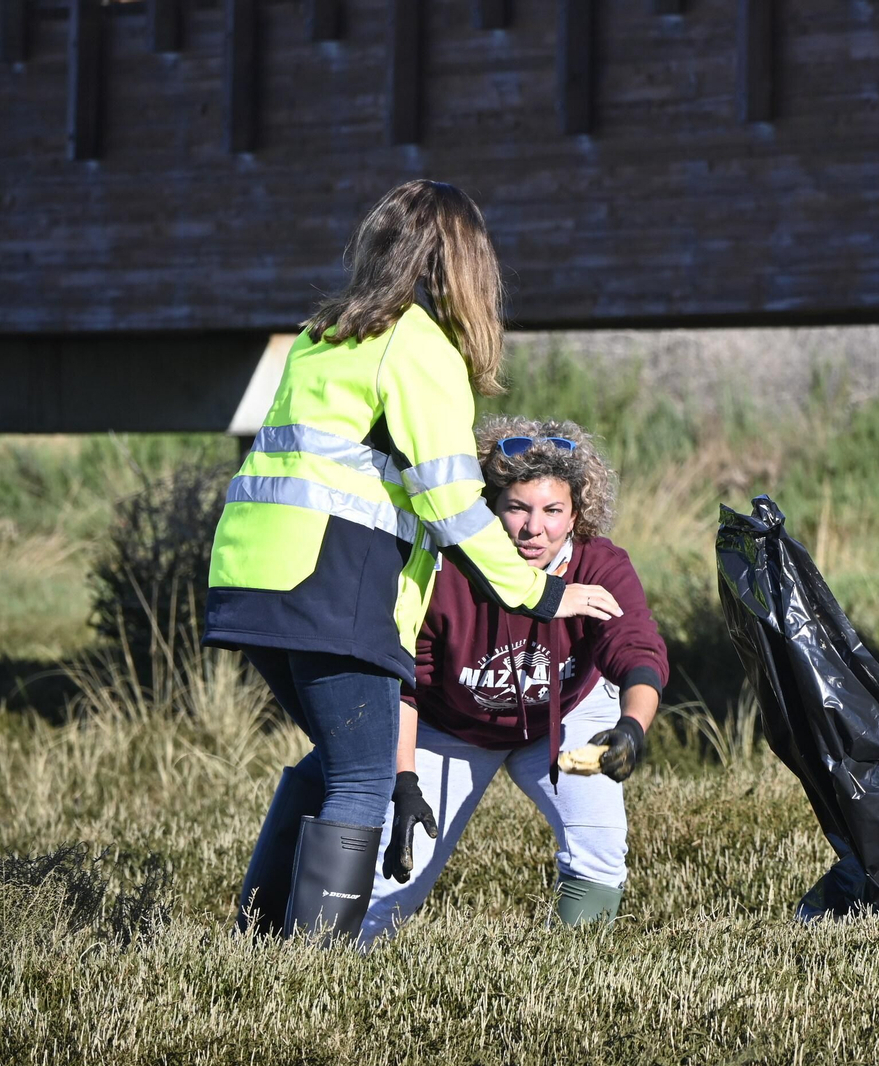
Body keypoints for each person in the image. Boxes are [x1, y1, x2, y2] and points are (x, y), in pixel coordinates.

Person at [206, 181, 621, 942]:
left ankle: (255, 943)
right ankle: (311, 967)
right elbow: (454, 504)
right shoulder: (418, 344)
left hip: (255, 578)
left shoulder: (323, 333)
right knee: (361, 778)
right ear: (462, 267)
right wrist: (540, 594)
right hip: (331, 582)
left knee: (332, 763)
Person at [361, 416, 669, 942]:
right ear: (487, 507)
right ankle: (331, 972)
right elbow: (405, 680)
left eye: (553, 511)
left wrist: (631, 729)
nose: (534, 528)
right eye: (517, 508)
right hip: (450, 726)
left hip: (566, 717)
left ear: (576, 516)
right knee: (394, 881)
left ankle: (565, 979)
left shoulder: (599, 563)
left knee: (600, 846)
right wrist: (405, 781)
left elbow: (636, 648)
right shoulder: (447, 569)